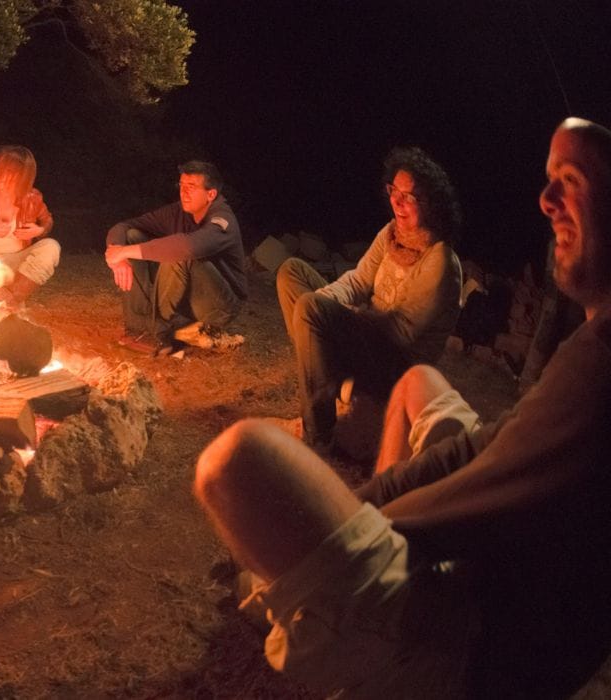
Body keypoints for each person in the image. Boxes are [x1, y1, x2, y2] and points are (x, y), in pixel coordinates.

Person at [194, 117, 611, 698]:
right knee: (408, 372)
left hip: (482, 642)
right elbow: (489, 449)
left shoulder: (596, 359)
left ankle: (325, 510)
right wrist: (362, 505)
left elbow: (477, 499)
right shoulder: (589, 346)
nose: (544, 201)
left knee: (235, 459)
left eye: (572, 179)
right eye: (548, 179)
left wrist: (335, 542)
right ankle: (331, 411)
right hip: (507, 578)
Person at [275, 147, 463, 448]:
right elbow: (358, 280)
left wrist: (341, 314)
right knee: (291, 272)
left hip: (397, 364)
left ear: (432, 204)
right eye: (393, 190)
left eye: (409, 196)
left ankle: (317, 433)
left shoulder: (439, 261)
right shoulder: (391, 233)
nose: (397, 201)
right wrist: (324, 300)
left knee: (312, 309)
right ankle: (325, 371)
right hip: (366, 338)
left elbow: (402, 332)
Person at [104, 160, 247, 355]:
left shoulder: (222, 218)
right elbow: (123, 226)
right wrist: (117, 253)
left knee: (180, 253)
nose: (183, 192)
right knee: (132, 237)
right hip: (186, 299)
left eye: (192, 187)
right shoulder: (177, 212)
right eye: (182, 185)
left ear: (210, 194)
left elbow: (189, 246)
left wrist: (125, 252)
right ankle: (138, 328)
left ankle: (160, 334)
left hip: (219, 304)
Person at [0, 145, 60, 309]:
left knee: (51, 247)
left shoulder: (33, 198)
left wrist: (40, 230)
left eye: (9, 173)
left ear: (23, 177)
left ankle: (10, 300)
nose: (0, 177)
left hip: (16, 263)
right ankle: (6, 303)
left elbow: (47, 220)